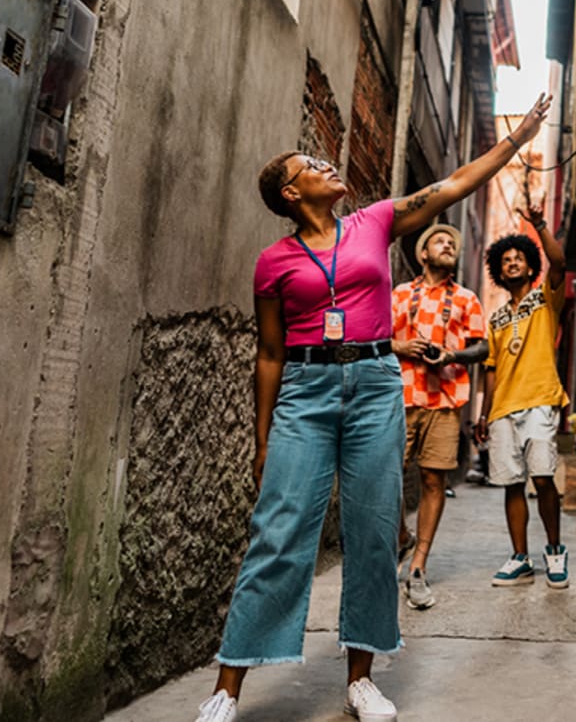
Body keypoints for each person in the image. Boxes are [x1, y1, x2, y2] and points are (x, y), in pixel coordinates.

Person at [193, 95, 551, 722]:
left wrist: (517, 140)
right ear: (288, 193)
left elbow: (451, 186)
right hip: (304, 391)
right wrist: (262, 438)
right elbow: (269, 354)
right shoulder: (273, 264)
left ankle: (361, 677)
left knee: (374, 531)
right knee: (277, 534)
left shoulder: (374, 223)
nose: (328, 165)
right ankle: (227, 688)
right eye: (311, 165)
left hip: (375, 383)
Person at [475, 200, 572, 590]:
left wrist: (540, 225)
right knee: (511, 483)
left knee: (543, 477)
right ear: (498, 270)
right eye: (506, 260)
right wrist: (484, 414)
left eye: (519, 258)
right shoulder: (496, 318)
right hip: (503, 409)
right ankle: (520, 558)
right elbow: (491, 369)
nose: (512, 263)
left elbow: (560, 263)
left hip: (540, 400)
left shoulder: (545, 299)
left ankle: (554, 550)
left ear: (531, 267)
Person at [390, 223, 488, 610]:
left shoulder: (466, 298)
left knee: (433, 479)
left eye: (453, 243)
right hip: (399, 396)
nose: (448, 246)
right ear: (423, 254)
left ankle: (418, 566)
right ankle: (400, 537)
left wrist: (450, 356)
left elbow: (481, 349)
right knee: (388, 475)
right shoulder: (398, 294)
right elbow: (374, 335)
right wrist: (401, 345)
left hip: (445, 399)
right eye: (440, 242)